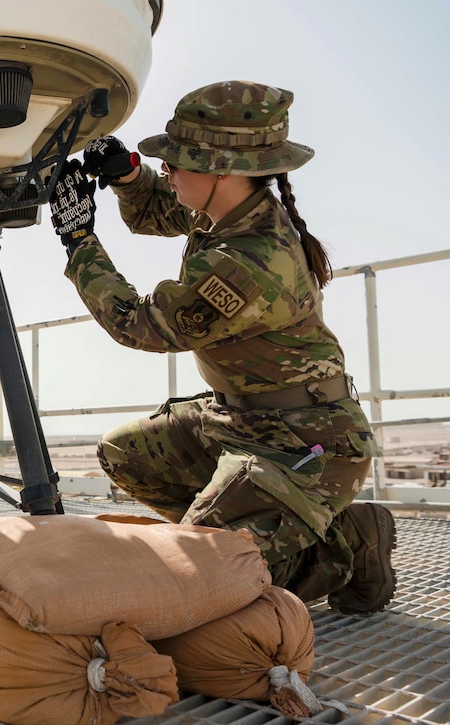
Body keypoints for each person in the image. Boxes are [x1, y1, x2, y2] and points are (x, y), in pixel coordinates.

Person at [50, 80, 395, 614]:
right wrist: (129, 176)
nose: (168, 169)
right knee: (124, 453)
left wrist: (79, 243)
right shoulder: (235, 210)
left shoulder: (251, 260)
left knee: (208, 585)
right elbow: (161, 212)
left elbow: (142, 326)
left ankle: (341, 547)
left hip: (305, 447)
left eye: (177, 161)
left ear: (222, 171)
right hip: (239, 423)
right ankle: (250, 529)